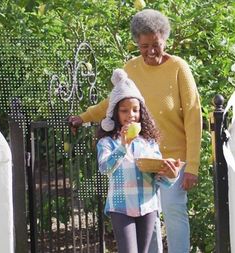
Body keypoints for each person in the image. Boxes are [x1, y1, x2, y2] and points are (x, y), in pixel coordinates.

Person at [69, 9, 202, 253]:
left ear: (165, 39)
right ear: (136, 44)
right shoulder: (131, 67)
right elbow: (115, 101)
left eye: (156, 44)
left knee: (173, 212)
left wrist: (192, 166)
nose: (151, 51)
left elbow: (194, 116)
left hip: (173, 160)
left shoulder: (179, 68)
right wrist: (85, 116)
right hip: (140, 159)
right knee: (146, 217)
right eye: (144, 46)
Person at [97, 68, 180, 253]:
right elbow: (104, 167)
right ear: (115, 114)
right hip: (120, 205)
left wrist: (171, 175)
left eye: (135, 110)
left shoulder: (149, 143)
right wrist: (123, 146)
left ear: (141, 112)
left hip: (147, 205)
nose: (131, 115)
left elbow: (159, 177)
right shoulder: (107, 142)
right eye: (124, 111)